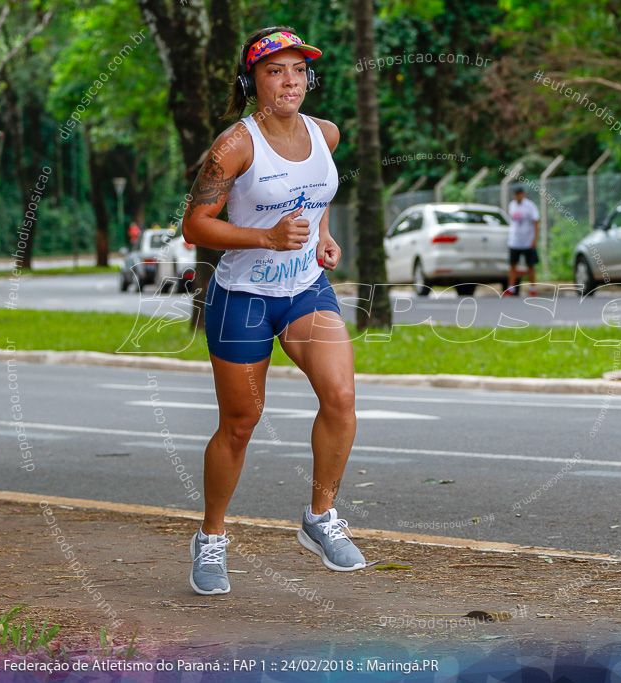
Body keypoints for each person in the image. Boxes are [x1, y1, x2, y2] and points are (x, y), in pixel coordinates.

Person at [181, 26, 363, 596]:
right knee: (239, 425)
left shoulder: (325, 134)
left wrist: (323, 237)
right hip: (244, 298)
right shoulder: (235, 145)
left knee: (341, 396)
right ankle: (211, 537)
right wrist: (267, 239)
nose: (290, 81)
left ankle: (320, 518)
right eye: (275, 70)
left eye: (299, 70)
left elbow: (317, 196)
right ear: (252, 80)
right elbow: (194, 226)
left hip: (306, 289)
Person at [505, 186, 540, 297]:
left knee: (530, 266)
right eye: (515, 194)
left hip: (527, 241)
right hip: (514, 241)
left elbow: (536, 222)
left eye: (519, 193)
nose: (517, 196)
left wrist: (534, 239)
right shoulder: (512, 205)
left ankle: (533, 288)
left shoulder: (530, 206)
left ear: (523, 194)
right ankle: (511, 289)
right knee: (512, 265)